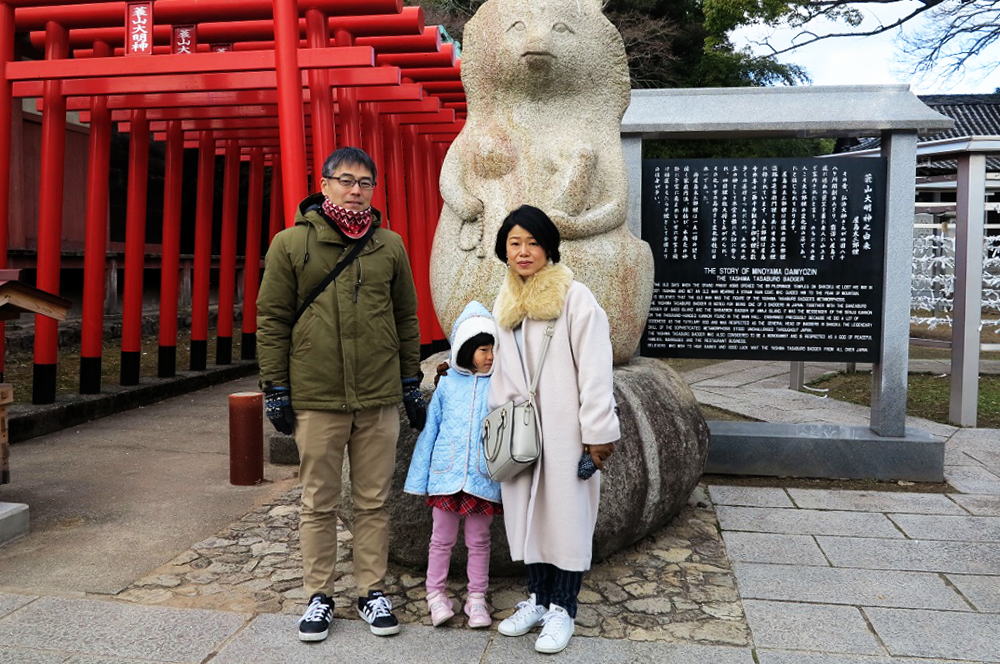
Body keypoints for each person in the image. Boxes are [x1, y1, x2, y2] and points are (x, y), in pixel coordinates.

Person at [256, 146, 426, 642]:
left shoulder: (389, 245)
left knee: (373, 500)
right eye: (346, 180)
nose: (356, 191)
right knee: (318, 501)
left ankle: (371, 590)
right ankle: (319, 595)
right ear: (325, 184)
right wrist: (275, 387)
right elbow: (272, 319)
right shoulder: (291, 243)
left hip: (377, 395)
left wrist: (409, 381)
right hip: (317, 395)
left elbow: (406, 316)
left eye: (365, 183)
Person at [488, 205, 619, 654]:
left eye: (533, 242)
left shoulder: (575, 298)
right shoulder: (505, 303)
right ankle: (538, 600)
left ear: (549, 247)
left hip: (566, 431)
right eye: (515, 243)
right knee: (528, 518)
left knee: (566, 519)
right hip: (522, 435)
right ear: (504, 250)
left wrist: (597, 432)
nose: (524, 252)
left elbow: (596, 371)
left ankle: (564, 608)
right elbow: (501, 373)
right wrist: (498, 421)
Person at [403, 301, 501, 629]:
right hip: (446, 476)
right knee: (441, 538)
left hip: (482, 478)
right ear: (466, 349)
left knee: (479, 540)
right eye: (483, 350)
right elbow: (431, 430)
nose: (489, 356)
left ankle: (477, 598)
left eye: (493, 349)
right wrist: (420, 478)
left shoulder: (500, 384)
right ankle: (435, 595)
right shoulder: (446, 383)